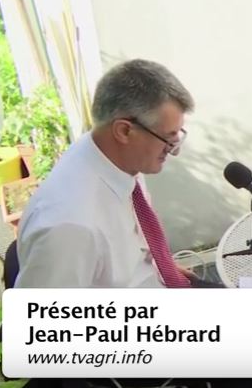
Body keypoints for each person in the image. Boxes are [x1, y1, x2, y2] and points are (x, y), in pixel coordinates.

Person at [16, 59, 204, 289]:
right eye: (167, 139)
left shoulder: (117, 159)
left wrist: (161, 268)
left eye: (177, 135)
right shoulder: (69, 228)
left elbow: (127, 249)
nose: (175, 151)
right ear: (124, 131)